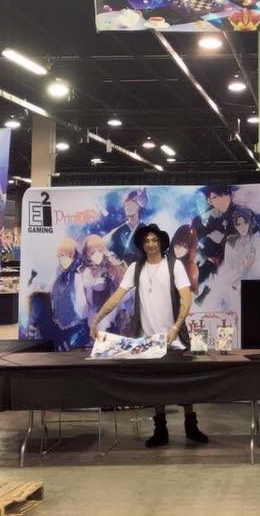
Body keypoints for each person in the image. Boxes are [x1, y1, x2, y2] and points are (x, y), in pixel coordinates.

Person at [89, 224, 208, 448]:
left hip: (175, 340)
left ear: (161, 242)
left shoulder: (174, 265)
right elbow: (117, 297)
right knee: (156, 387)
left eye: (154, 240)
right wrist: (96, 320)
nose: (151, 244)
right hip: (149, 341)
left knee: (185, 385)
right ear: (142, 245)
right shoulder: (136, 268)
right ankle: (160, 429)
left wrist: (176, 327)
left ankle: (191, 426)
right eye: (147, 241)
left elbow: (186, 298)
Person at [107, 188, 148, 265]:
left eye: (133, 201)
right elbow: (111, 258)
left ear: (140, 205)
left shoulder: (147, 232)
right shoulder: (117, 233)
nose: (128, 205)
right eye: (126, 202)